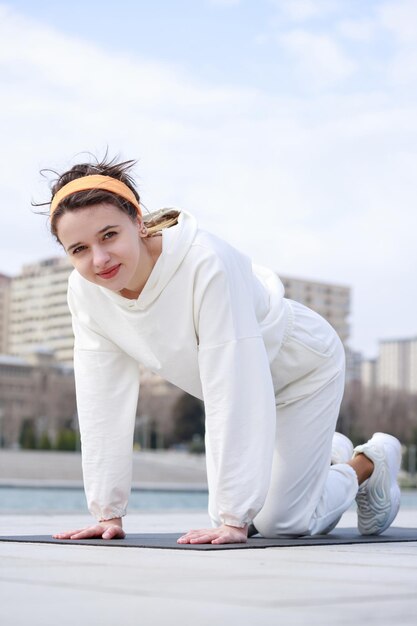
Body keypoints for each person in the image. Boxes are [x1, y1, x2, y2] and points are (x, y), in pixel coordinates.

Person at [40, 155, 401, 545]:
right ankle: (323, 456)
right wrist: (107, 512)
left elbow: (233, 381)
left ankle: (368, 463)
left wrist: (232, 516)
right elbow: (100, 394)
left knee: (279, 522)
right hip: (245, 383)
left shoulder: (205, 262)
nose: (99, 259)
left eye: (109, 235)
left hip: (302, 372)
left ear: (139, 222)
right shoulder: (86, 291)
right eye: (79, 249)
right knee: (266, 510)